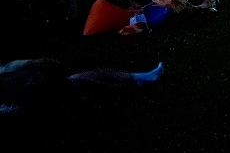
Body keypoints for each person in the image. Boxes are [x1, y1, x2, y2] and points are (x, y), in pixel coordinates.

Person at [0, 59, 164, 111]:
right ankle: (137, 82)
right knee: (88, 82)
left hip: (45, 84)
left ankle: (141, 77)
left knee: (100, 72)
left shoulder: (7, 71)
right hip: (38, 93)